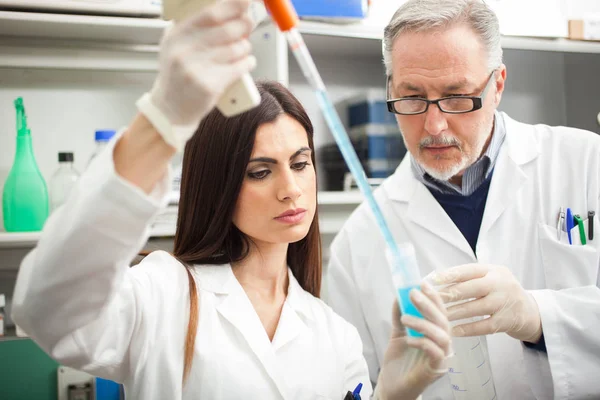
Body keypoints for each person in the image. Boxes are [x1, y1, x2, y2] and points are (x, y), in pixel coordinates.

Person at [11, 1, 452, 399]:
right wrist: (163, 118)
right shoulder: (165, 295)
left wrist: (391, 396)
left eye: (300, 163)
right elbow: (47, 313)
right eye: (260, 171)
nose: (290, 188)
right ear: (219, 184)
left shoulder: (333, 333)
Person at [326, 0, 600, 399]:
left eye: (456, 97)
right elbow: (351, 387)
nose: (434, 125)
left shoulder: (587, 163)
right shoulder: (358, 241)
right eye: (412, 98)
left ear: (498, 85)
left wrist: (538, 316)